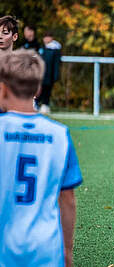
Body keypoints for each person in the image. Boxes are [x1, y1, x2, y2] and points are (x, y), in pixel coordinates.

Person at [0, 49, 82, 267]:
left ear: (3, 89)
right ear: (38, 89)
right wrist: (67, 250)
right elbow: (67, 199)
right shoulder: (60, 134)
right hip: (45, 248)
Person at [35, 31, 62, 114]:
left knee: (47, 91)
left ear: (51, 38)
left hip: (49, 75)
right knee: (38, 90)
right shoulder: (42, 48)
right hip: (41, 74)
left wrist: (56, 75)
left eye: (48, 37)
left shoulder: (55, 49)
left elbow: (56, 64)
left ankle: (45, 106)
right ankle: (36, 105)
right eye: (45, 37)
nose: (46, 39)